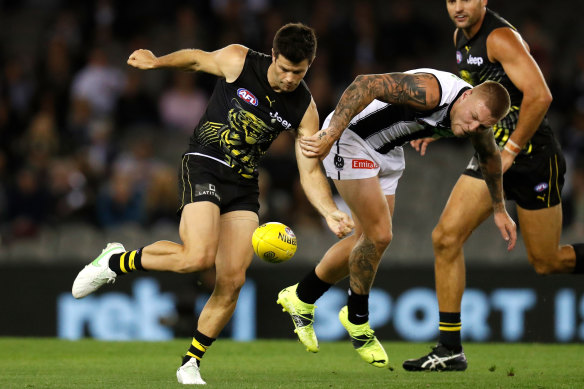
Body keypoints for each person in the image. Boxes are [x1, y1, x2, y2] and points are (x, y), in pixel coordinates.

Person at [71, 23, 354, 385]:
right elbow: (195, 60)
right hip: (203, 163)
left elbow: (310, 172)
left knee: (233, 279)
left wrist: (330, 210)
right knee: (198, 258)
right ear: (273, 54)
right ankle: (114, 260)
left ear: (309, 65)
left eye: (297, 73)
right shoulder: (240, 60)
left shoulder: (304, 109)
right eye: (283, 68)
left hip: (244, 185)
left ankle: (191, 362)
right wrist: (158, 62)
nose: (287, 78)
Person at [277, 67, 517, 369]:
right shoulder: (430, 91)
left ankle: (300, 297)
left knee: (367, 241)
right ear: (467, 95)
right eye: (473, 118)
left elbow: (491, 157)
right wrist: (330, 133)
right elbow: (365, 84)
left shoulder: (473, 118)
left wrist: (498, 208)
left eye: (483, 125)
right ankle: (357, 320)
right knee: (380, 235)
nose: (473, 128)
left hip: (389, 151)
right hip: (351, 140)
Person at [403, 0, 584, 372]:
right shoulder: (461, 37)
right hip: (494, 155)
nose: (458, 6)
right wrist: (442, 129)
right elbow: (479, 101)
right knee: (445, 237)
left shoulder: (499, 38)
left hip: (532, 157)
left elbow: (541, 95)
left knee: (547, 262)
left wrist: (512, 150)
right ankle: (449, 348)